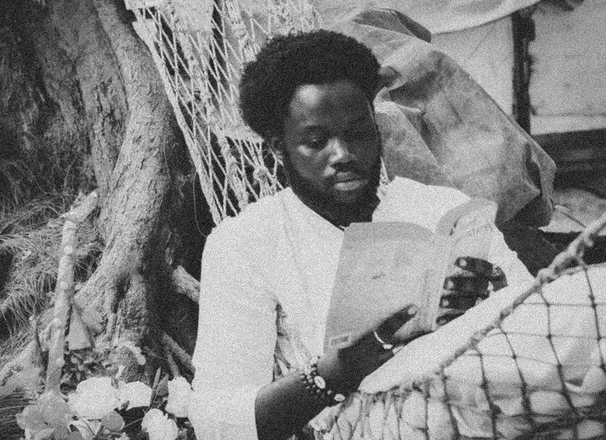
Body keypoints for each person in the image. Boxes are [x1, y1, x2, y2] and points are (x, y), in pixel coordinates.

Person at [188, 29, 534, 440]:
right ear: (277, 149)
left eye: (357, 133)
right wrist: (335, 372)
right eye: (316, 141)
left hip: (491, 402)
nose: (344, 154)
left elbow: (538, 321)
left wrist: (497, 295)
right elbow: (217, 420)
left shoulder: (440, 209)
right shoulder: (246, 243)